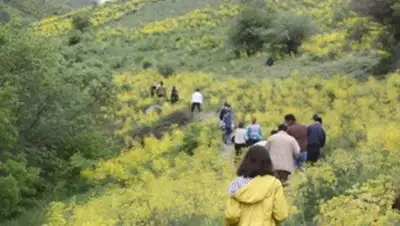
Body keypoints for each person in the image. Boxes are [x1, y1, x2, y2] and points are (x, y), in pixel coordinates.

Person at [224, 145, 289, 226]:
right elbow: (281, 215)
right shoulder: (274, 184)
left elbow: (232, 216)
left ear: (246, 161)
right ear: (268, 163)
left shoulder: (236, 185)